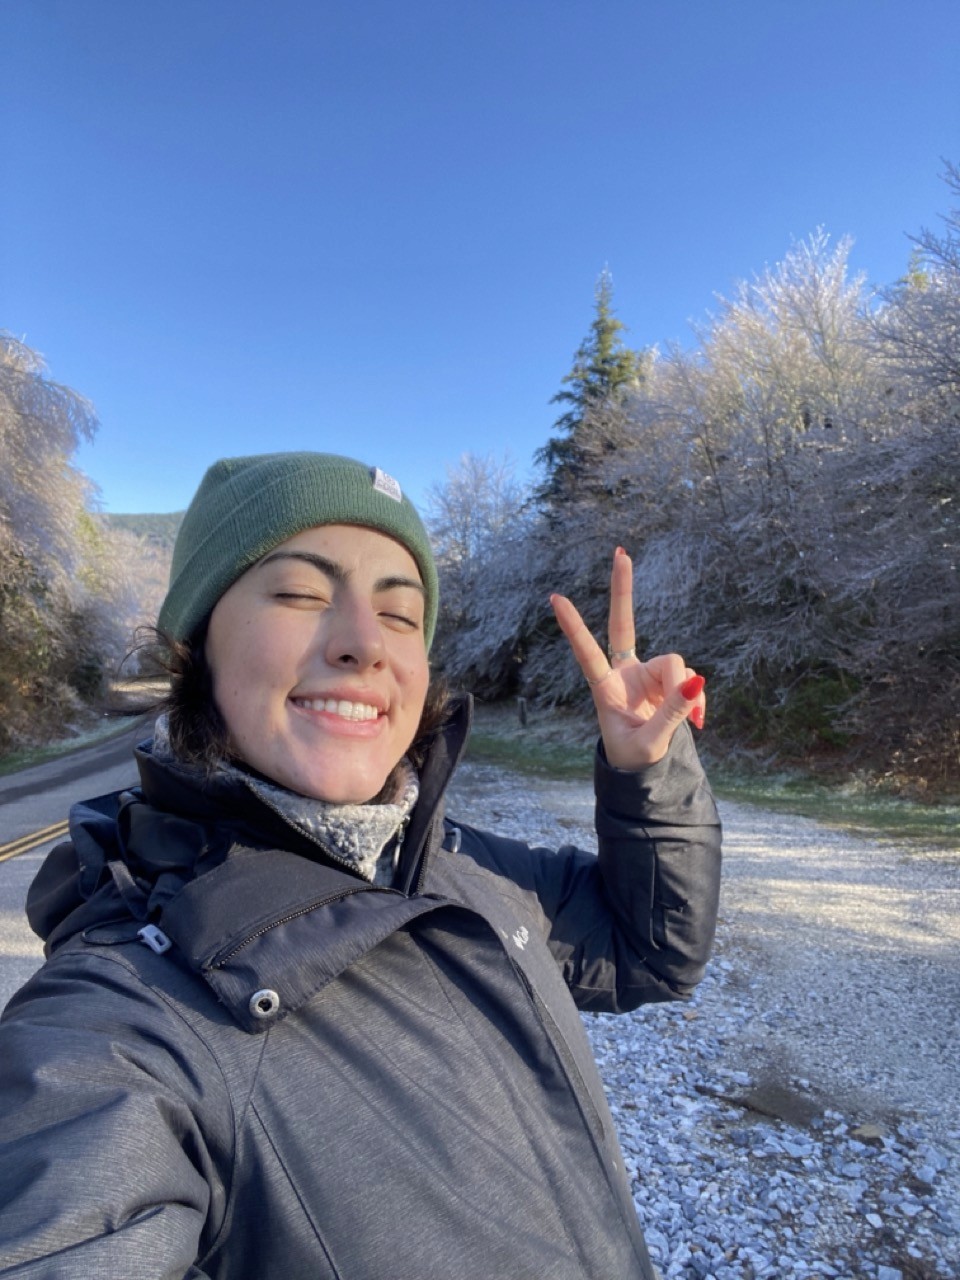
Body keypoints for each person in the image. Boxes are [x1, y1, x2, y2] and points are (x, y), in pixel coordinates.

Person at [0, 451, 721, 1279]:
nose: (363, 643)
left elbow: (650, 951)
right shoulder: (119, 1024)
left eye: (403, 614)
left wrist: (645, 770)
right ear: (196, 646)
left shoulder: (451, 863)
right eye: (302, 594)